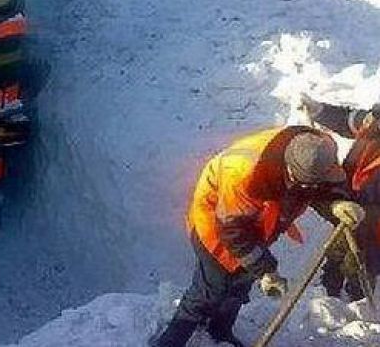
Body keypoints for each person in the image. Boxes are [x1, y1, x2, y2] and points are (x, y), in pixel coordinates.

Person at [152, 126, 364, 347]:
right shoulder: (244, 174)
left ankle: (219, 330)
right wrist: (265, 270)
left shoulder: (319, 149)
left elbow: (325, 186)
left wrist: (337, 203)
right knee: (210, 289)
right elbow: (234, 231)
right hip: (217, 222)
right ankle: (169, 341)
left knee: (241, 282)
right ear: (291, 172)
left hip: (258, 220)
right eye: (306, 184)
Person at [302, 95, 380, 300]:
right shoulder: (374, 123)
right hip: (349, 207)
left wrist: (365, 214)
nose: (370, 121)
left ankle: (357, 303)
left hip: (374, 229)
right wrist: (319, 111)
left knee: (360, 266)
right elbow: (348, 119)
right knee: (336, 253)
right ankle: (328, 292)